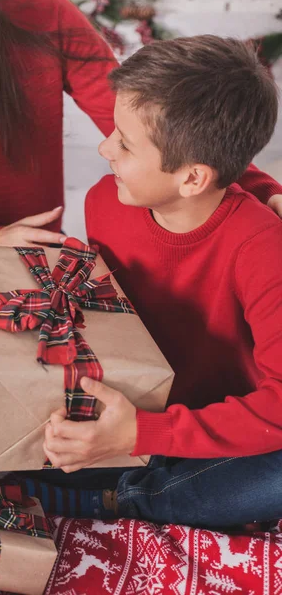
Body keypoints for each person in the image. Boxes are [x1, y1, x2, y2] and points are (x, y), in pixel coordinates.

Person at [0, 0, 280, 459]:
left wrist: (255, 184)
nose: (105, 149)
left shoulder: (40, 14)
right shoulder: (104, 205)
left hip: (38, 251)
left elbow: (164, 125)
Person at [27, 36, 282, 529]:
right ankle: (130, 477)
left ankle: (123, 500)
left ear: (191, 179)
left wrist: (140, 434)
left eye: (123, 142)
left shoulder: (265, 250)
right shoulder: (105, 201)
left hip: (217, 430)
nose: (104, 148)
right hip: (132, 399)